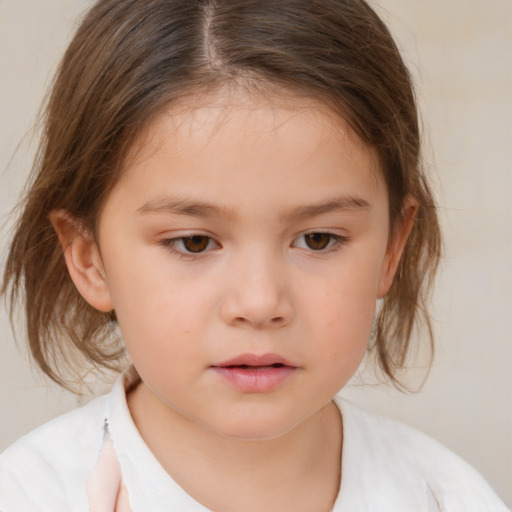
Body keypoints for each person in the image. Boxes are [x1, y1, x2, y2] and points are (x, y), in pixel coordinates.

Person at [0, 0, 508, 510]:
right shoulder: (28, 495)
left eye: (318, 239)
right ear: (89, 258)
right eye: (194, 242)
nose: (261, 302)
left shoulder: (447, 497)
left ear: (391, 248)